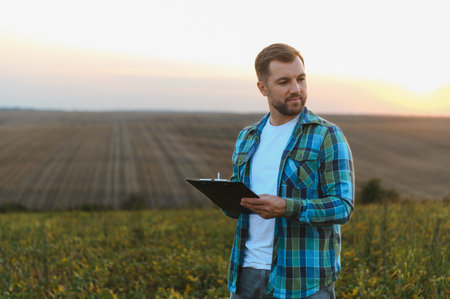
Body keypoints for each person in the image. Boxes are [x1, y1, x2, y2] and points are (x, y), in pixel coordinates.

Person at [225, 43, 355, 299]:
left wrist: (286, 207)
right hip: (247, 274)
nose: (296, 89)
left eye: (301, 79)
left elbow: (343, 206)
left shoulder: (326, 135)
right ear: (263, 88)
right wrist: (225, 197)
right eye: (284, 81)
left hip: (303, 280)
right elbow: (237, 206)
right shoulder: (247, 137)